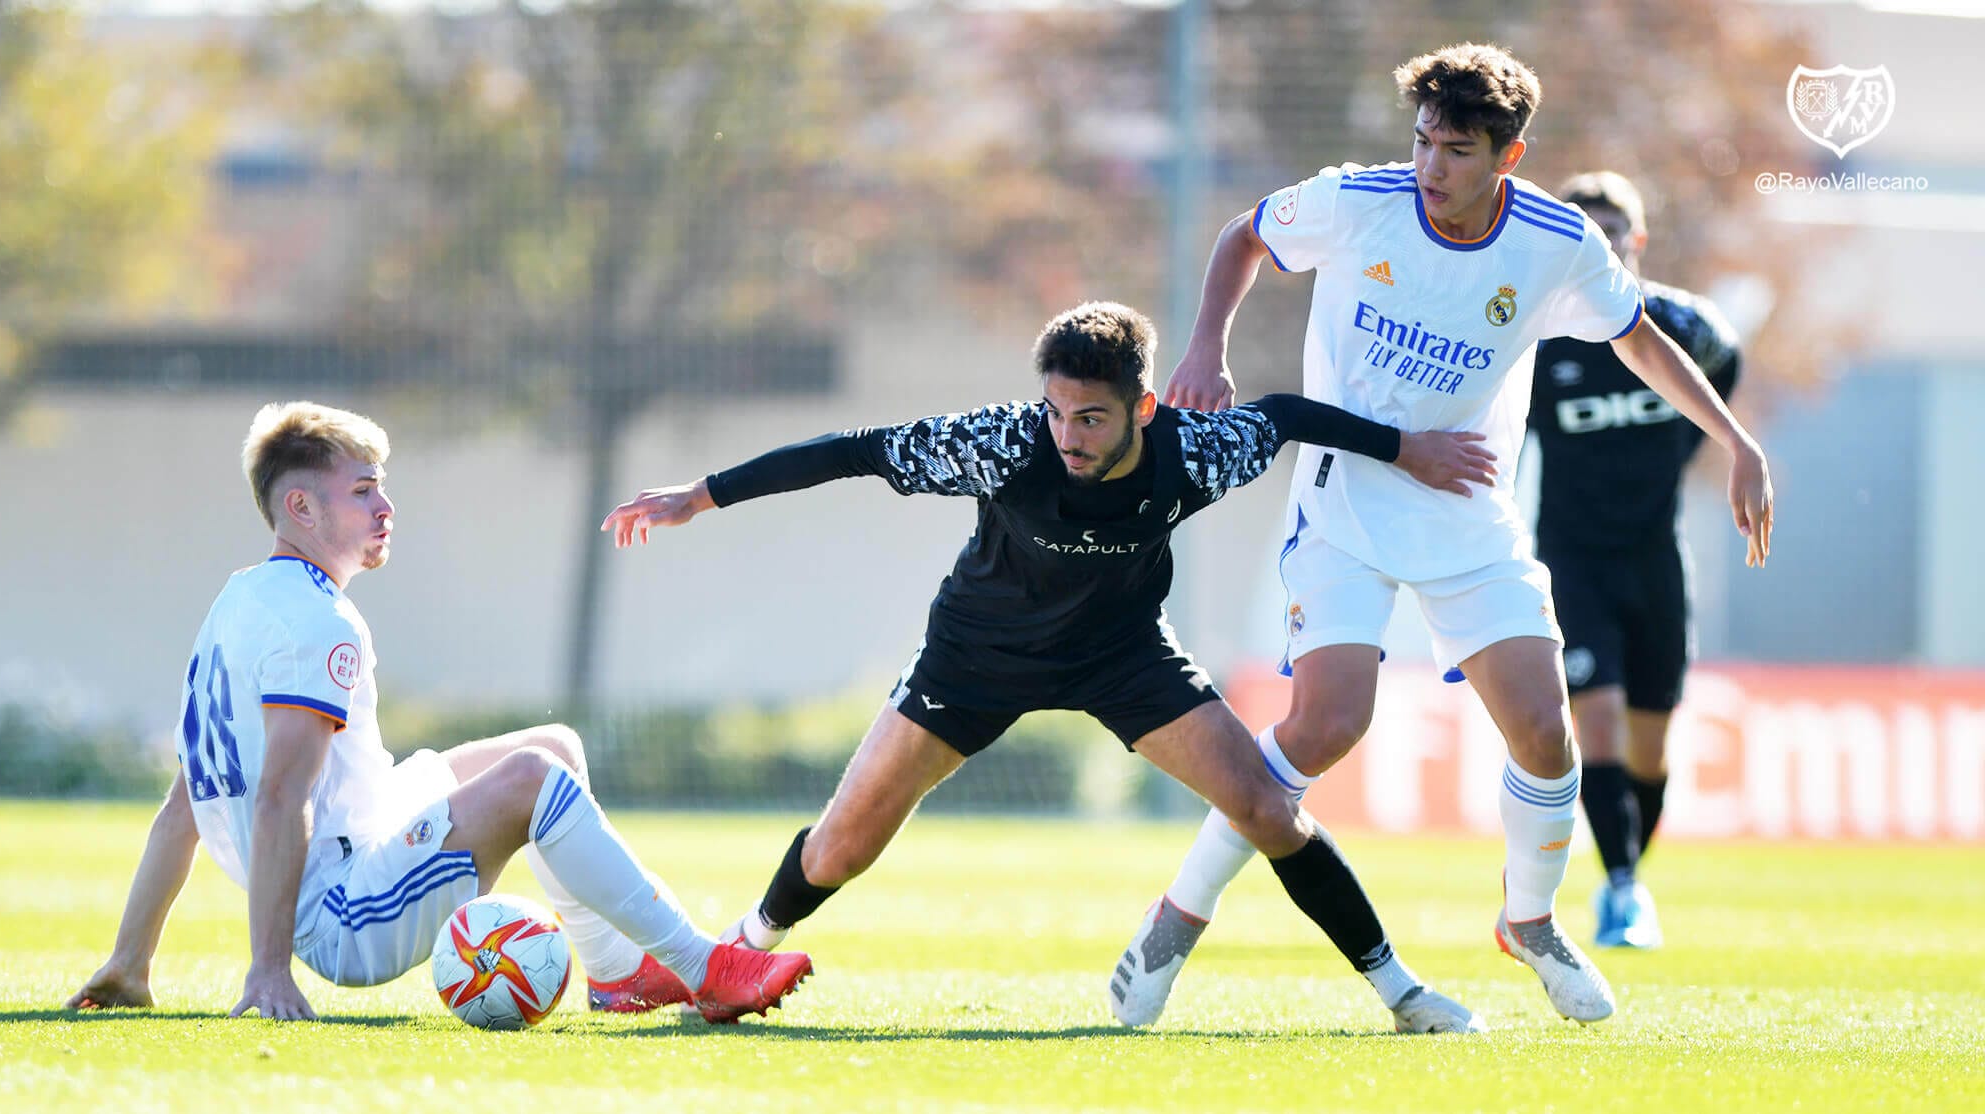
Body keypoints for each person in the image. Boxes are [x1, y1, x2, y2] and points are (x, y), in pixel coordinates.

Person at [602, 301, 1497, 1033]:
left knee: (1268, 807)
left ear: (1144, 410)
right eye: (1058, 412)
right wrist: (700, 495)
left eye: (1092, 417)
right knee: (841, 847)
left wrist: (1406, 448)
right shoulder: (1003, 442)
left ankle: (1402, 995)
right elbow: (855, 451)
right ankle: (736, 952)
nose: (1068, 435)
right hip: (976, 655)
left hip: (1121, 655)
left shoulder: (1199, 451)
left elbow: (1291, 415)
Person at [1121, 42, 1774, 1026]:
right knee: (1326, 726)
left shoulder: (1554, 240)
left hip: (1470, 520)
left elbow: (1635, 336)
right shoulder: (1359, 199)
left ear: (1506, 157)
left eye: (1457, 150)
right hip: (1343, 506)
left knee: (1545, 735)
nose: (1430, 165)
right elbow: (1242, 235)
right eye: (1423, 140)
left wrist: (1734, 441)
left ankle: (1528, 920)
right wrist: (1206, 342)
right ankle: (1176, 916)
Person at [67, 401, 811, 1023]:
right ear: (300, 506)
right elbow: (279, 797)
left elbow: (182, 807)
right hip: (347, 914)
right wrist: (268, 970)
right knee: (529, 778)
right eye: (362, 491)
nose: (386, 507)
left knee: (551, 743)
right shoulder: (317, 624)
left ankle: (617, 972)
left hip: (365, 835)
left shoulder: (237, 602)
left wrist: (130, 963)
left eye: (381, 487)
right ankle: (704, 967)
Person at [1529, 171, 1741, 949]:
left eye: (1615, 231)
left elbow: (1727, 368)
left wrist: (1685, 451)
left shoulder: (1684, 327)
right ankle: (1623, 893)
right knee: (1602, 722)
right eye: (1589, 232)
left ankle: (1625, 875)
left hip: (1656, 558)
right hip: (1573, 558)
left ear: (1636, 241)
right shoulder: (1541, 341)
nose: (1606, 244)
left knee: (1652, 746)